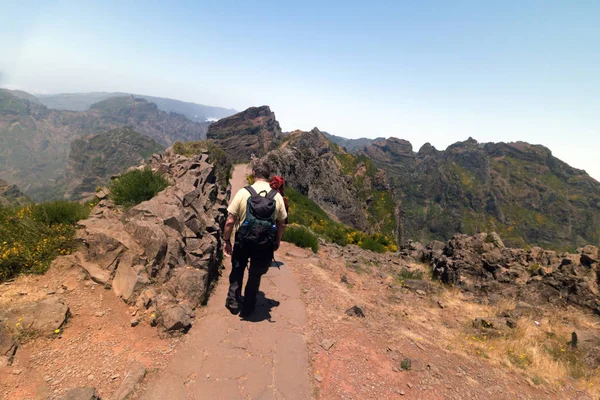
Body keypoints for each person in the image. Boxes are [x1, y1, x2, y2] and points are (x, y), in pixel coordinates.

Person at [223, 160, 287, 317]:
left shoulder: (244, 192)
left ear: (253, 174)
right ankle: (249, 306)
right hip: (264, 243)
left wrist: (226, 241)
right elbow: (282, 224)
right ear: (268, 175)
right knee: (255, 274)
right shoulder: (276, 196)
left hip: (243, 240)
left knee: (237, 269)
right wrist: (277, 241)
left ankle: (233, 301)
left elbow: (230, 221)